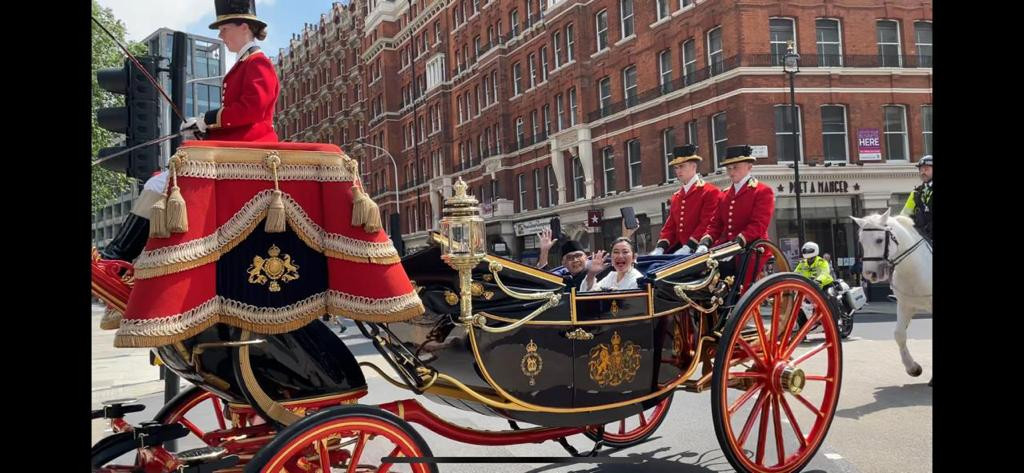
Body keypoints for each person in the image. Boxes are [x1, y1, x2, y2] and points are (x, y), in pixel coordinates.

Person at [99, 0, 279, 265]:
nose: (220, 35)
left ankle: (117, 258)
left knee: (158, 184)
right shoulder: (245, 65)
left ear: (243, 27)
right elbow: (238, 120)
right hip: (235, 150)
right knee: (158, 182)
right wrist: (203, 132)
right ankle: (123, 258)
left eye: (224, 28)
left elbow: (250, 111)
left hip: (248, 153)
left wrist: (206, 120)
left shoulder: (258, 63)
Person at [697, 145, 775, 290]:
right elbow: (716, 225)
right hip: (726, 249)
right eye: (729, 168)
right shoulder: (724, 194)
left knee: (739, 289)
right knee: (704, 278)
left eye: (735, 167)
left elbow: (759, 225)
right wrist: (705, 242)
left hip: (752, 249)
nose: (731, 172)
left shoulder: (762, 191)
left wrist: (736, 244)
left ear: (749, 166)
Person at [652, 144, 722, 256]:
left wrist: (690, 245)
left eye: (682, 166)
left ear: (693, 166)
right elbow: (670, 226)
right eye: (676, 167)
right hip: (680, 250)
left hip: (702, 249)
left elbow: (707, 223)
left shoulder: (710, 191)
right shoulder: (676, 196)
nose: (678, 171)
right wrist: (660, 247)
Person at [900, 155, 932, 241]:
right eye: (921, 170)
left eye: (926, 169)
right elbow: (904, 215)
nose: (922, 172)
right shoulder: (915, 193)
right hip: (921, 238)